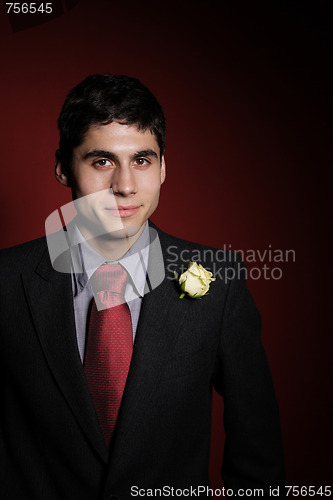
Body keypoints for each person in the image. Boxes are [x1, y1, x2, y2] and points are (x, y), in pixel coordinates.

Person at [0, 74, 285, 499]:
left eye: (142, 160)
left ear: (163, 166)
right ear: (62, 166)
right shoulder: (7, 280)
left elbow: (258, 454)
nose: (126, 186)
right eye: (102, 161)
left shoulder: (219, 280)